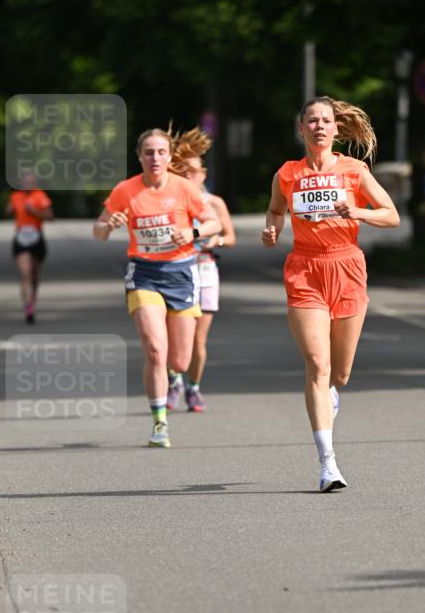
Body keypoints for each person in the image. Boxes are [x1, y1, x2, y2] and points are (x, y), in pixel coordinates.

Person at [261, 96, 399, 492]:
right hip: (305, 269)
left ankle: (330, 394)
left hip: (347, 267)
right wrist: (272, 229)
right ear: (301, 129)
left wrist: (359, 212)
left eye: (326, 121)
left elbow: (391, 215)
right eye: (311, 121)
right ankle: (328, 465)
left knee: (340, 373)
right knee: (317, 366)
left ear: (336, 129)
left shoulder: (355, 171)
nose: (319, 127)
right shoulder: (286, 174)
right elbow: (274, 210)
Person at [93, 128, 221, 448]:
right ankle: (159, 422)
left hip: (181, 273)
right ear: (140, 157)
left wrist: (192, 232)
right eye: (149, 152)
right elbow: (98, 231)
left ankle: (176, 377)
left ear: (169, 157)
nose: (155, 158)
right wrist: (109, 225)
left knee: (179, 360)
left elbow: (214, 222)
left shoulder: (184, 188)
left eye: (161, 152)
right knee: (154, 349)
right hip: (144, 273)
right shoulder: (126, 190)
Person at [166, 126, 236, 412]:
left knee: (198, 338)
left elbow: (230, 237)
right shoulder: (171, 201)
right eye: (184, 172)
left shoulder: (214, 203)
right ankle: (174, 382)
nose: (190, 176)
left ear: (203, 174)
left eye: (194, 171)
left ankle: (193, 387)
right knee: (176, 335)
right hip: (176, 271)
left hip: (206, 270)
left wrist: (216, 239)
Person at [6, 171, 53, 323]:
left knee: (34, 275)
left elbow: (50, 216)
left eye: (31, 182)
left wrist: (34, 211)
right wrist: (10, 210)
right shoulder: (16, 196)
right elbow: (8, 210)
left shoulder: (40, 196)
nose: (28, 185)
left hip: (36, 238)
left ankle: (32, 300)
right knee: (25, 273)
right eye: (26, 182)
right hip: (21, 238)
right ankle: (28, 306)